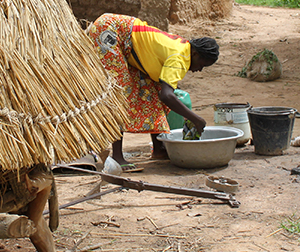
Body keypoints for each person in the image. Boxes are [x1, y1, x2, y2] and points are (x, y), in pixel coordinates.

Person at [86, 13, 219, 167]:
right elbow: (167, 96)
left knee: (151, 90)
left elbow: (161, 92)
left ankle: (159, 149)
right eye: (201, 64)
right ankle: (117, 156)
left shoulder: (184, 48)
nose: (199, 70)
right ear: (195, 54)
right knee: (119, 93)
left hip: (123, 34)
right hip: (110, 30)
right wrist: (196, 119)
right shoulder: (180, 58)